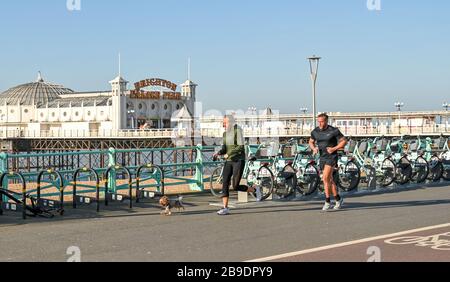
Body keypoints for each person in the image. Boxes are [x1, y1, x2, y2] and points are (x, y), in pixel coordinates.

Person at [213, 115, 261, 215]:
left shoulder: (237, 131)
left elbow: (240, 147)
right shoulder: (225, 134)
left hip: (238, 160)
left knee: (235, 186)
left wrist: (228, 154)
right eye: (223, 122)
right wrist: (218, 153)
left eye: (225, 122)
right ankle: (225, 208)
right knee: (225, 183)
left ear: (230, 122)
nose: (223, 124)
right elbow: (224, 148)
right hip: (229, 161)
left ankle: (254, 189)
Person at [309, 113, 348, 211]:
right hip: (322, 157)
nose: (320, 123)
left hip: (332, 157)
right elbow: (311, 141)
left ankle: (327, 201)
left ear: (326, 121)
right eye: (319, 121)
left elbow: (344, 141)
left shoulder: (333, 130)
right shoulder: (315, 131)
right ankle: (338, 199)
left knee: (325, 178)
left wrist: (334, 148)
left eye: (322, 121)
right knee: (329, 180)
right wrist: (314, 148)